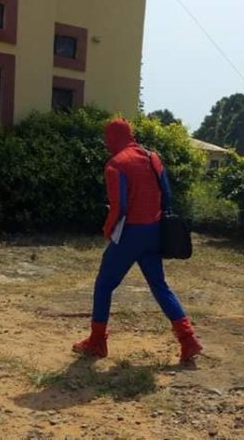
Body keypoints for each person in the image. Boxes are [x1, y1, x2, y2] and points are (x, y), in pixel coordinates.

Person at [73, 118, 203, 362]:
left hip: (131, 233)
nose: (105, 143)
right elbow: (167, 196)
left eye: (107, 137)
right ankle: (188, 339)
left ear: (113, 138)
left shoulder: (116, 164)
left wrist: (108, 228)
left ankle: (97, 342)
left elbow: (120, 206)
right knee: (159, 285)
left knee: (104, 284)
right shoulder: (152, 157)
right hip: (154, 231)